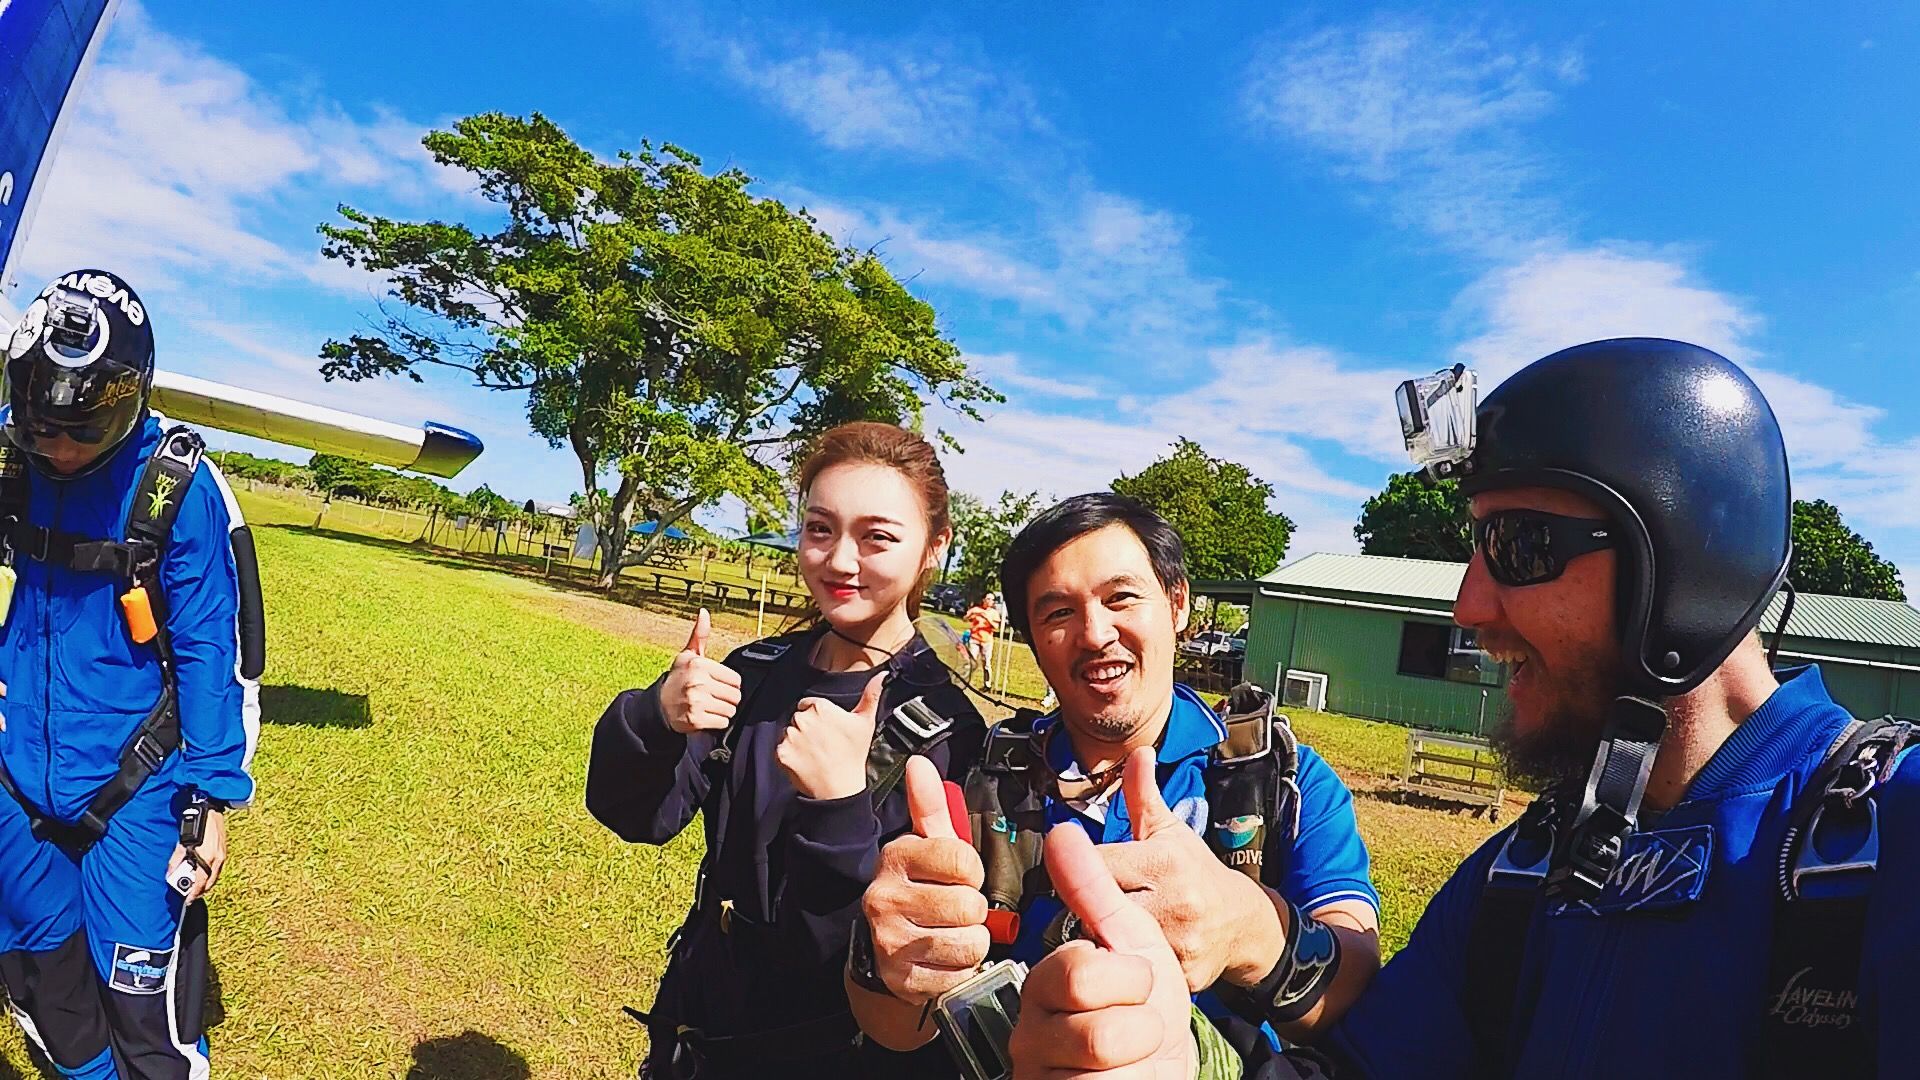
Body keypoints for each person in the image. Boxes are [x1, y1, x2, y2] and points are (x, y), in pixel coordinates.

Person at [1017, 339, 1920, 1078]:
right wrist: (1182, 1066)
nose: (1469, 608)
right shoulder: (1519, 881)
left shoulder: (1890, 837)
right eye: (1473, 548)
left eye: (1520, 547)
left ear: (1687, 565)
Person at [848, 493, 1380, 1073]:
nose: (1095, 633)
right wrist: (886, 963)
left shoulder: (1283, 780)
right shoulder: (980, 779)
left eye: (1120, 597)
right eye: (1057, 613)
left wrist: (1253, 933)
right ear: (1031, 639)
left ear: (1177, 605)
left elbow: (1354, 985)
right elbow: (896, 1029)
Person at [585, 421, 987, 1079]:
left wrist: (838, 806)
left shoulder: (949, 734)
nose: (840, 560)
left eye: (878, 536)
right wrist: (655, 716)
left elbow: (869, 955)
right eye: (820, 529)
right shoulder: (759, 672)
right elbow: (639, 814)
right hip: (694, 1026)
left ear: (933, 548)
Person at [0, 270, 263, 1078]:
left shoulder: (175, 487)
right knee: (44, 983)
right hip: (18, 777)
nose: (57, 447)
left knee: (141, 1006)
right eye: (41, 426)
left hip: (138, 790)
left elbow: (217, 656)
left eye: (79, 430)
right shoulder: (13, 460)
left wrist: (212, 804)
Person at [961, 593, 1000, 686]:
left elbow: (996, 627)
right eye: (988, 599)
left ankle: (987, 684)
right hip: (974, 639)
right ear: (984, 600)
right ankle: (966, 681)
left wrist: (987, 618)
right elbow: (965, 619)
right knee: (971, 661)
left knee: (986, 663)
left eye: (992, 600)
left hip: (987, 641)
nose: (990, 601)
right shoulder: (976, 609)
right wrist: (971, 615)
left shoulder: (994, 613)